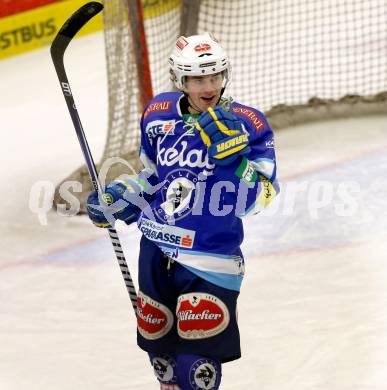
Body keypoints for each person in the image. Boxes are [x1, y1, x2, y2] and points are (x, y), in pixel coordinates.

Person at [87, 32, 279, 390]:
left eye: (215, 76)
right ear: (180, 79)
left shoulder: (248, 123)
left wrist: (234, 162)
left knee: (195, 369)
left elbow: (262, 196)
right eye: (197, 78)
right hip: (155, 248)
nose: (208, 86)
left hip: (210, 259)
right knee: (164, 364)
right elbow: (153, 178)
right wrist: (121, 197)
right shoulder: (158, 115)